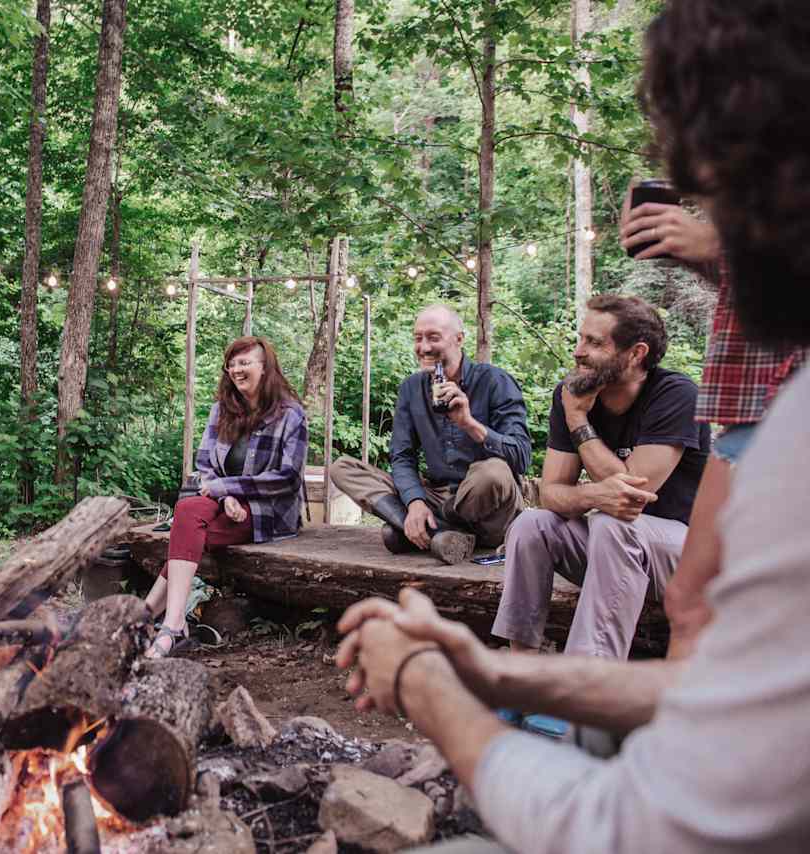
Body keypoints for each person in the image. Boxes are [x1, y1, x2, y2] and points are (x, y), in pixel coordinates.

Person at [337, 3, 810, 851]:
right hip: (497, 514)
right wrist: (493, 668)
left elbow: (584, 484)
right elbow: (533, 492)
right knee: (514, 515)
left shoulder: (717, 412)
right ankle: (513, 644)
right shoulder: (786, 422)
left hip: (609, 528)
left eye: (725, 190)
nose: (713, 236)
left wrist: (425, 683)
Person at [619, 198, 804, 658]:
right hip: (747, 406)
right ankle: (684, 727)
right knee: (692, 600)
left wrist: (725, 247)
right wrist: (704, 257)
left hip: (794, 410)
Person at [492, 295, 709, 660]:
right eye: (580, 339)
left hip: (685, 555)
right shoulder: (571, 393)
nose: (578, 352)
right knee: (532, 524)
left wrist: (578, 422)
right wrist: (593, 497)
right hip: (612, 551)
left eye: (594, 343)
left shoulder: (676, 395)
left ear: (636, 353)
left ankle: (586, 681)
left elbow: (633, 496)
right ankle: (522, 668)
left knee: (614, 525)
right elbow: (551, 494)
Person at [144, 336, 307, 658]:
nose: (236, 369)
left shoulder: (291, 414)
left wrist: (230, 489)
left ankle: (148, 616)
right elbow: (205, 468)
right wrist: (223, 497)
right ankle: (172, 624)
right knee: (189, 511)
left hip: (266, 511)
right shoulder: (221, 410)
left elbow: (288, 479)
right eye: (231, 364)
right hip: (223, 503)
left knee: (189, 531)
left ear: (265, 367)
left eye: (244, 362)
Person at [330, 305, 530, 564]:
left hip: (489, 510)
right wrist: (414, 502)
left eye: (433, 337)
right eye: (418, 338)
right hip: (437, 495)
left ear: (459, 339)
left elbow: (522, 457)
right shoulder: (411, 388)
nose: (424, 347)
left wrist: (470, 424)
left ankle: (420, 528)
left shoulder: (495, 381)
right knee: (342, 468)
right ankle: (437, 531)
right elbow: (402, 456)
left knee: (491, 472)